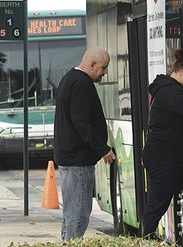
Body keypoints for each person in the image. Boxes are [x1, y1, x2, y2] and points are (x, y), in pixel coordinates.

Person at [141, 49, 183, 246]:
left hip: (178, 160)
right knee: (157, 205)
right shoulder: (171, 92)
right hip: (164, 159)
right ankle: (142, 239)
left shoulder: (172, 90)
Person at [54, 46, 117, 241]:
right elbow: (82, 122)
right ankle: (72, 242)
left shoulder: (70, 79)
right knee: (79, 211)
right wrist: (103, 149)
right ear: (91, 64)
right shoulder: (81, 84)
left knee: (72, 210)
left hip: (69, 157)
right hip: (78, 160)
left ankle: (68, 241)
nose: (105, 73)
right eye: (103, 67)